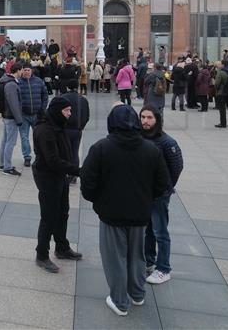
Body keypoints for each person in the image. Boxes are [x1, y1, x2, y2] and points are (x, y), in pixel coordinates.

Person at [81, 104, 171, 317]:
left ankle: (120, 301)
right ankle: (137, 294)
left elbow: (88, 183)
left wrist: (98, 200)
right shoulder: (151, 149)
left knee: (115, 258)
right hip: (140, 214)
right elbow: (163, 184)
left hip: (111, 215)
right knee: (137, 256)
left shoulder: (101, 148)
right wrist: (147, 199)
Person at [32, 96, 82, 273]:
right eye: (66, 110)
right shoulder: (45, 130)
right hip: (47, 177)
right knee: (49, 216)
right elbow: (52, 160)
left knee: (63, 212)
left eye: (70, 110)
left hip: (59, 175)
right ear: (56, 111)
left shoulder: (57, 125)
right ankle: (42, 255)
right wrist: (78, 171)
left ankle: (62, 247)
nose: (70, 114)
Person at [140, 106, 183, 286]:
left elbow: (177, 167)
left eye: (149, 118)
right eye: (142, 117)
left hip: (159, 195)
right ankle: (149, 260)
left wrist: (166, 188)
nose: (145, 121)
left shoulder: (167, 142)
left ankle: (164, 268)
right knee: (148, 229)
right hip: (145, 193)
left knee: (160, 231)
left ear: (157, 119)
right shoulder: (140, 137)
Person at [18, 64, 49, 168]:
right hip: (23, 115)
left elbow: (45, 95)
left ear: (31, 71)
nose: (27, 72)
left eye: (28, 70)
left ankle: (39, 156)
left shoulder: (38, 81)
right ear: (22, 71)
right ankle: (27, 157)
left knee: (38, 137)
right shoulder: (18, 82)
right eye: (25, 70)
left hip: (37, 114)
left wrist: (43, 108)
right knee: (24, 137)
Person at [62, 79, 90, 184]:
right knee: (74, 152)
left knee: (64, 151)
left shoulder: (63, 98)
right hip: (77, 130)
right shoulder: (83, 100)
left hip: (64, 129)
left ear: (68, 87)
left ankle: (65, 172)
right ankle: (73, 174)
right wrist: (81, 126)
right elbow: (87, 116)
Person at [0, 62, 24, 176]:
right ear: (18, 70)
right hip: (10, 117)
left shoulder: (7, 81)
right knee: (10, 142)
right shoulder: (11, 84)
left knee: (5, 141)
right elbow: (14, 104)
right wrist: (19, 119)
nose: (23, 72)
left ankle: (3, 164)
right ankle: (7, 167)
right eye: (22, 70)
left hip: (6, 115)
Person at [213, 61, 228, 128]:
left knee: (222, 109)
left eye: (220, 64)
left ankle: (223, 123)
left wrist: (217, 89)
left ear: (223, 65)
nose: (219, 65)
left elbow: (217, 83)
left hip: (222, 92)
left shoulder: (221, 72)